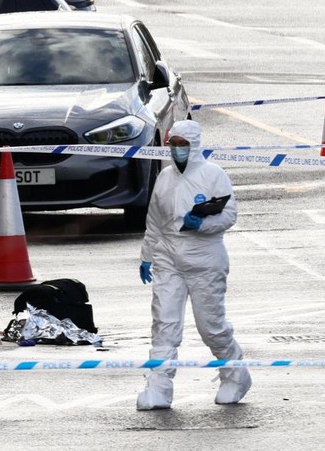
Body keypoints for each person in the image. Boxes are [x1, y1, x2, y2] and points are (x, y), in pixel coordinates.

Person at [136, 119, 251, 410]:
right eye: (173, 144)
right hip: (168, 260)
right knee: (164, 325)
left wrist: (201, 223)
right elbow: (154, 221)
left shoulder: (213, 175)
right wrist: (147, 256)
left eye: (183, 144)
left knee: (211, 327)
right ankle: (158, 387)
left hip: (205, 261)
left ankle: (235, 375)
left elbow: (229, 216)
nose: (177, 149)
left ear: (195, 145)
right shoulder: (164, 177)